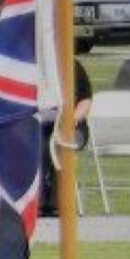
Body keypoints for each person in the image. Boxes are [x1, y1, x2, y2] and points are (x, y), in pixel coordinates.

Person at [41, 58, 93, 212]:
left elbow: (85, 100)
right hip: (41, 127)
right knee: (39, 144)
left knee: (61, 144)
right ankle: (41, 199)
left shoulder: (73, 66)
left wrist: (74, 118)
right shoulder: (33, 68)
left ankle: (58, 202)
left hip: (72, 128)